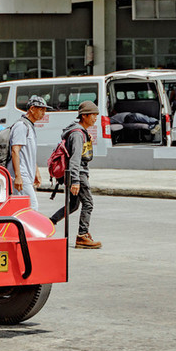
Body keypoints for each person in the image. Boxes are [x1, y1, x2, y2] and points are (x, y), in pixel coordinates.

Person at [49, 100, 101, 249]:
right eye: (93, 115)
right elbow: (75, 159)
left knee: (73, 205)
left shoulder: (79, 132)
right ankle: (82, 236)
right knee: (88, 203)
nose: (95, 118)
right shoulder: (78, 134)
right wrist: (76, 181)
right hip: (78, 173)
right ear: (84, 116)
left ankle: (50, 221)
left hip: (74, 174)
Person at [9, 95, 51, 210]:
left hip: (27, 175)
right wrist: (18, 176)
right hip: (21, 175)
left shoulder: (30, 126)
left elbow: (29, 153)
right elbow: (15, 150)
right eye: (41, 109)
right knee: (32, 207)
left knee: (23, 209)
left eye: (45, 110)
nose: (43, 113)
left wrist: (36, 172)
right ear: (32, 109)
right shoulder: (21, 126)